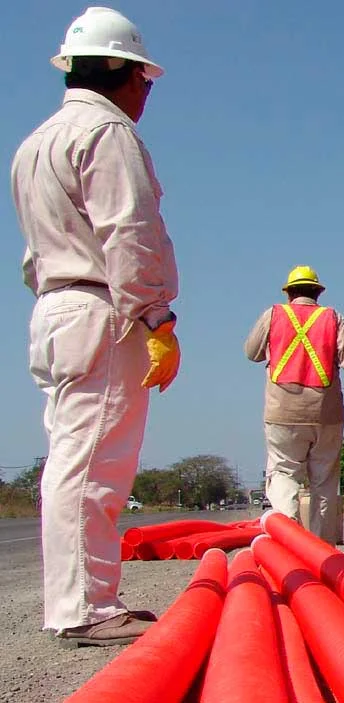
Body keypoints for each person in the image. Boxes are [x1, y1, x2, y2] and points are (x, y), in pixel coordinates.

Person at [11, 6, 179, 648]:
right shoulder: (108, 136)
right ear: (120, 70)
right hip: (102, 307)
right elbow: (127, 232)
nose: (147, 91)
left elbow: (34, 254)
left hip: (56, 308)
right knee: (94, 467)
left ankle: (81, 599)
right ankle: (83, 607)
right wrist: (156, 315)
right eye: (144, 77)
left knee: (71, 458)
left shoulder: (35, 144)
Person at [243, 265, 344, 545]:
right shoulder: (333, 318)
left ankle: (290, 544)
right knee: (324, 485)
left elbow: (251, 353)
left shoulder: (273, 314)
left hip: (282, 414)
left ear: (289, 293)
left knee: (283, 474)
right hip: (327, 415)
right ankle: (320, 550)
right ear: (318, 293)